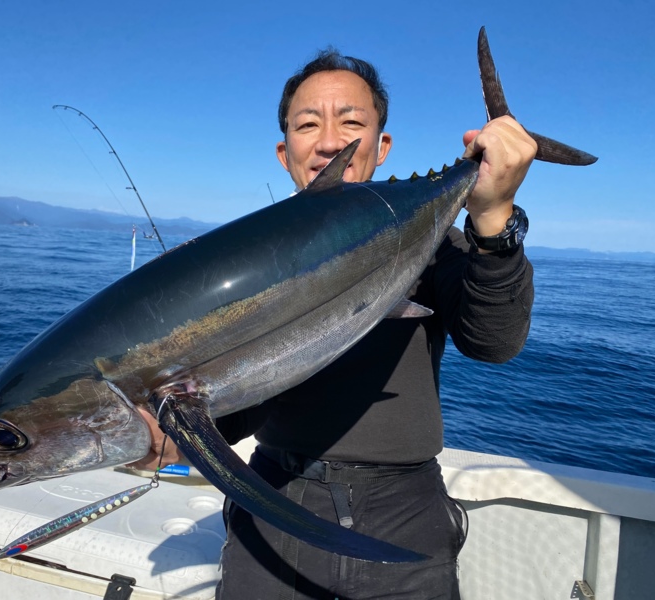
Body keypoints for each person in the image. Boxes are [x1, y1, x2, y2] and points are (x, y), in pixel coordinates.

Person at [132, 48, 536, 600]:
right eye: (307, 124)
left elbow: (495, 341)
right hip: (274, 501)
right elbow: (250, 393)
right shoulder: (244, 268)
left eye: (351, 121)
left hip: (405, 509)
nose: (329, 141)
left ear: (381, 145)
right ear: (284, 151)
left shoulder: (435, 246)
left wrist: (494, 219)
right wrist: (180, 436)